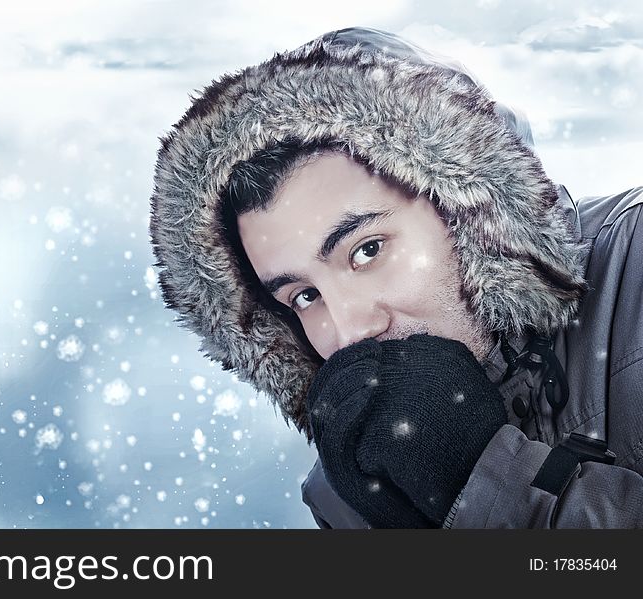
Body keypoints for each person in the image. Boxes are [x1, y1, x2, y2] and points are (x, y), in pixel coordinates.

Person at [148, 26, 643, 528]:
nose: (349, 331)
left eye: (366, 251)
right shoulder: (349, 488)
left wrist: (485, 484)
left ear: (470, 207)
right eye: (304, 295)